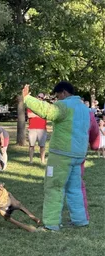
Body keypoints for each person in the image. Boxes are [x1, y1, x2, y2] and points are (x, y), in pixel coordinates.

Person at [23, 82, 99, 231]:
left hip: (61, 155)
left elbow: (47, 110)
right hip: (79, 155)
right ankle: (80, 219)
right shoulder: (86, 110)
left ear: (63, 93)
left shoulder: (64, 106)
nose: (57, 99)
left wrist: (27, 98)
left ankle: (51, 223)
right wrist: (95, 146)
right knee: (75, 188)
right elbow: (94, 131)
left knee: (54, 187)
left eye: (57, 96)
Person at [28, 93, 48, 164]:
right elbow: (29, 115)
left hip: (42, 129)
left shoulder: (45, 106)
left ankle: (42, 160)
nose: (40, 98)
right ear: (36, 97)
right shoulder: (31, 105)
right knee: (31, 145)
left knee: (42, 146)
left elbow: (46, 115)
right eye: (39, 97)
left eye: (42, 98)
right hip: (32, 128)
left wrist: (36, 114)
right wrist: (40, 114)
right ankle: (31, 160)